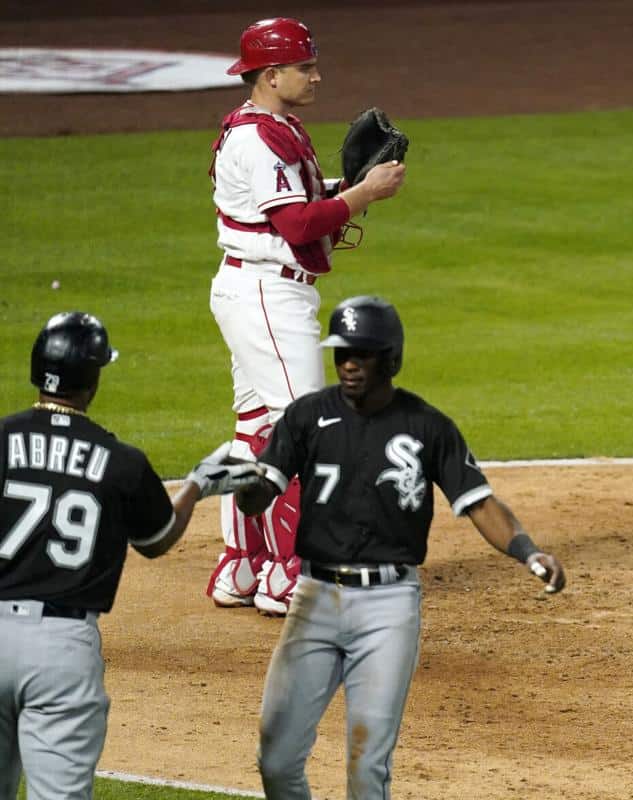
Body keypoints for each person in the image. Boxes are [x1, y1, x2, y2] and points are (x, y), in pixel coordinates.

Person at [233, 296, 566, 798]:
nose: (347, 363)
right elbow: (260, 496)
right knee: (276, 760)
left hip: (388, 609)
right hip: (314, 598)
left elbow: (478, 502)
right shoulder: (305, 417)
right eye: (341, 352)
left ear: (390, 359)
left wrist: (528, 550)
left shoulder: (426, 426)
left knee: (367, 769)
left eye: (360, 354)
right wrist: (241, 482)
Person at [0, 312, 260, 799]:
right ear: (92, 379)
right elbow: (156, 538)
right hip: (60, 651)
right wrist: (199, 484)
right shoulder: (120, 461)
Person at [206, 17, 407, 616]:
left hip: (256, 290)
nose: (316, 75)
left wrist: (351, 183)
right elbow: (295, 226)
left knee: (256, 433)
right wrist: (362, 196)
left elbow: (299, 203)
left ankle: (243, 566)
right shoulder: (257, 138)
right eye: (304, 67)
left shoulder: (275, 126)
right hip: (267, 294)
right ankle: (290, 576)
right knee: (308, 432)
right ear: (271, 75)